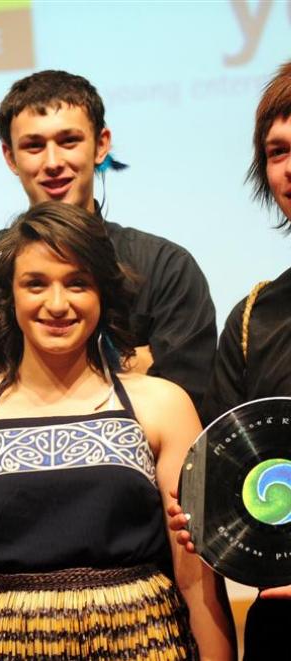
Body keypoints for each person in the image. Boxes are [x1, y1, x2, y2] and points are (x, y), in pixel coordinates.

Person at [0, 201, 235, 660]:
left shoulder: (163, 405)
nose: (57, 304)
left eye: (77, 284)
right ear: (10, 297)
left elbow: (195, 572)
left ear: (102, 296)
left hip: (147, 645)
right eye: (36, 284)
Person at [0, 69, 216, 411]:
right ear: (10, 157)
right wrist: (131, 363)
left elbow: (182, 399)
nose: (52, 162)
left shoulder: (167, 267)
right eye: (34, 146)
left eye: (69, 141)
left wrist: (27, 371)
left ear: (101, 145)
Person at [168, 61, 291, 661]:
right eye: (277, 151)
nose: (290, 167)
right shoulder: (252, 320)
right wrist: (200, 509)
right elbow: (228, 480)